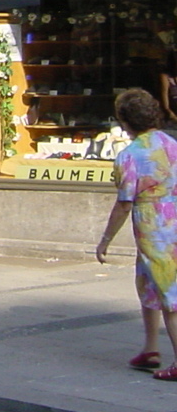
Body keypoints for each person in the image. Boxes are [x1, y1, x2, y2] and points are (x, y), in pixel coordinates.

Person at [97, 88, 177, 377]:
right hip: (175, 219)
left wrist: (105, 240)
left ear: (125, 122)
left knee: (169, 291)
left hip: (153, 227)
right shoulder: (171, 144)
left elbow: (124, 204)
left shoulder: (130, 156)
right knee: (148, 284)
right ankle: (150, 348)